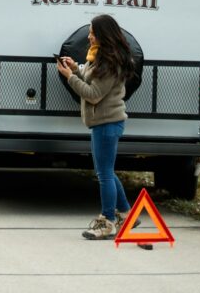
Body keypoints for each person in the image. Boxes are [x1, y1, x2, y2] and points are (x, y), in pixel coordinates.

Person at [56, 15, 134, 239]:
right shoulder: (98, 57)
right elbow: (92, 81)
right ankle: (127, 215)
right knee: (106, 171)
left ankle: (107, 220)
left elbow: (93, 95)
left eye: (92, 32)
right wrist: (76, 69)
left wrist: (70, 77)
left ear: (103, 34)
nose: (89, 36)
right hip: (102, 122)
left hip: (107, 123)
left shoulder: (109, 62)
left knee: (104, 175)